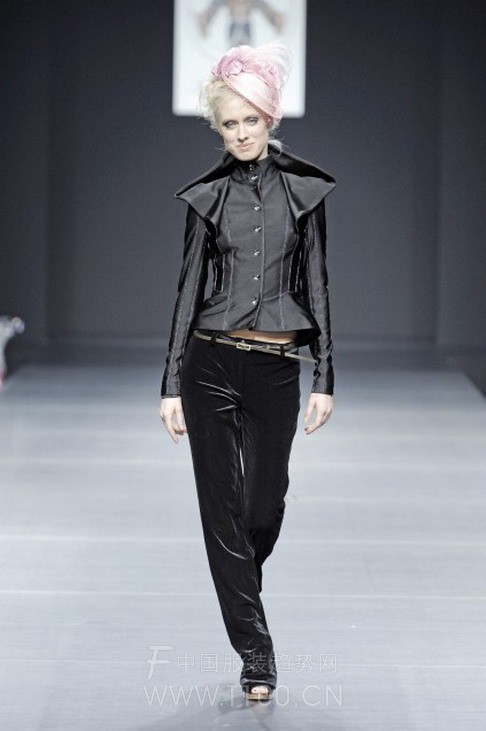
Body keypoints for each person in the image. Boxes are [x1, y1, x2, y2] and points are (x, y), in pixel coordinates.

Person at [159, 42, 336, 702]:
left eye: (250, 120)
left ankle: (238, 589)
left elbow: (318, 283)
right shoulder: (206, 197)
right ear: (219, 127)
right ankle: (256, 653)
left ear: (270, 117)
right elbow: (186, 290)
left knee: (264, 505)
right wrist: (170, 384)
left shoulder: (304, 191)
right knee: (221, 507)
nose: (240, 133)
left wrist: (325, 376)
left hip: (276, 368)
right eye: (229, 123)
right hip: (209, 361)